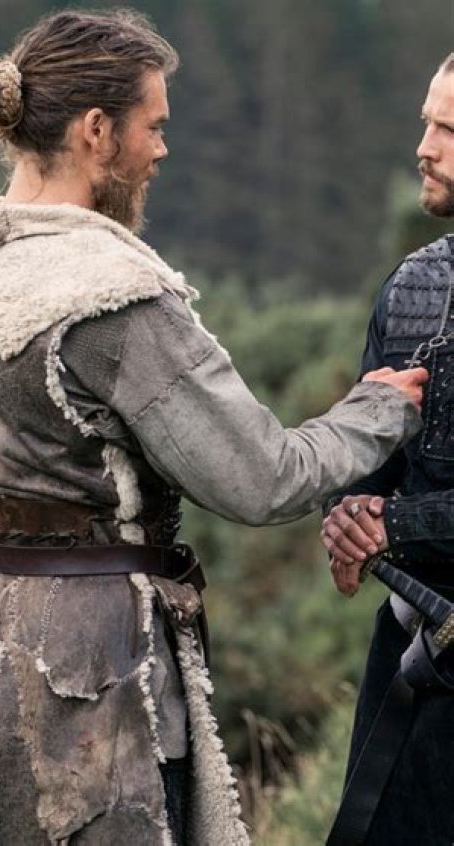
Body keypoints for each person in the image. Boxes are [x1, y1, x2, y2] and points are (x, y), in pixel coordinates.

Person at [0, 9, 426, 845]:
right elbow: (263, 478)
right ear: (97, 131)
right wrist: (379, 410)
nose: (162, 151)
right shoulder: (110, 294)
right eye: (153, 127)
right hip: (94, 696)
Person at [321, 54, 454, 846]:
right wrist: (348, 513)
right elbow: (372, 463)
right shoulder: (411, 286)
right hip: (415, 657)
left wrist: (390, 527)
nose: (424, 147)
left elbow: (393, 513)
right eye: (426, 123)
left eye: (449, 130)